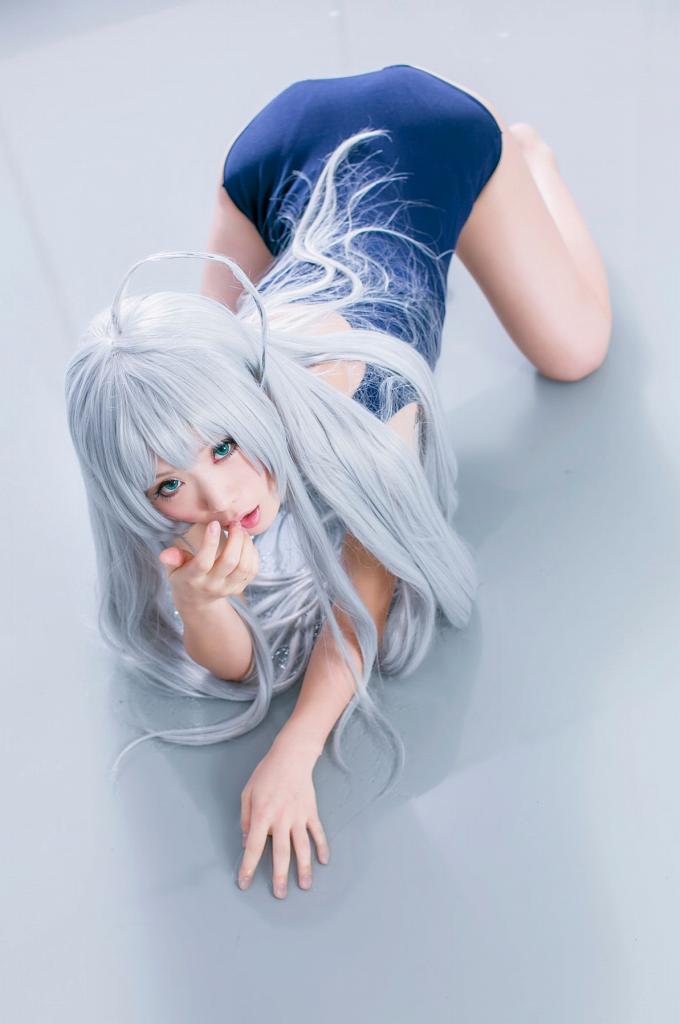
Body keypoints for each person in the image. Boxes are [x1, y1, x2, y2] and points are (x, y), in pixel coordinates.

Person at [64, 64, 611, 899]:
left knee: (576, 353)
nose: (219, 503)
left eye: (225, 448)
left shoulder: (368, 395)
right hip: (270, 154)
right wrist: (199, 602)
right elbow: (237, 666)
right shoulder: (186, 432)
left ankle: (527, 156)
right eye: (169, 486)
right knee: (189, 379)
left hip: (425, 132)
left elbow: (367, 588)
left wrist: (298, 747)